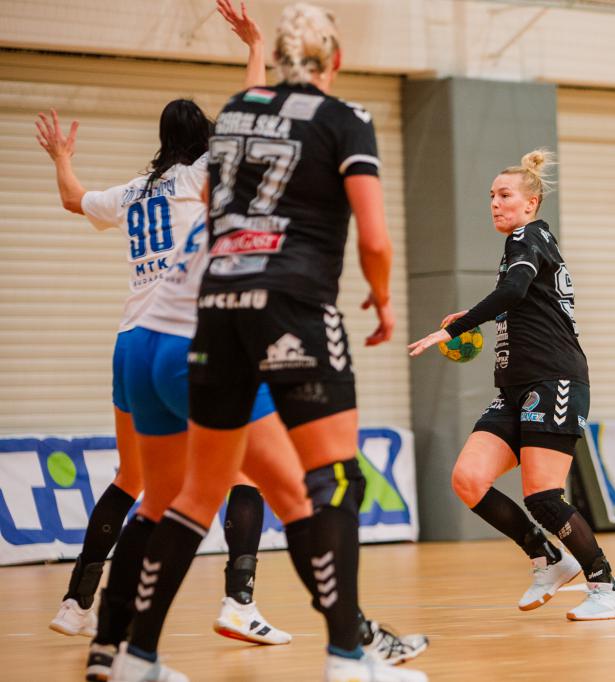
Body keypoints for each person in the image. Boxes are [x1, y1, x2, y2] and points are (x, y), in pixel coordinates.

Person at [108, 3, 427, 681]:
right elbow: (374, 237)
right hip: (292, 303)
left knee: (198, 494)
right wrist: (383, 296)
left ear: (280, 60)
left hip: (216, 307)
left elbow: (218, 204)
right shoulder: (346, 119)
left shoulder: (233, 113)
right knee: (334, 477)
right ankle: (348, 658)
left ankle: (138, 658)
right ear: (335, 60)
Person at [38, 0, 291, 654]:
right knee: (242, 475)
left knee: (134, 479)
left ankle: (78, 603)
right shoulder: (202, 176)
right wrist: (254, 45)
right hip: (186, 337)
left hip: (131, 341)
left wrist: (62, 155)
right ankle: (240, 602)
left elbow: (70, 198)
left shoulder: (135, 191)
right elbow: (253, 110)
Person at [408, 149, 615, 621]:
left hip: (554, 380)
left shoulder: (526, 235)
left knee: (543, 496)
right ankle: (547, 557)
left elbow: (513, 291)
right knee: (469, 479)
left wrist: (455, 328)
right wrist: (480, 316)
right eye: (491, 196)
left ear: (531, 202)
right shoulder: (528, 244)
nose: (495, 203)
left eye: (505, 195)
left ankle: (606, 587)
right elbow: (521, 298)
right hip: (515, 387)